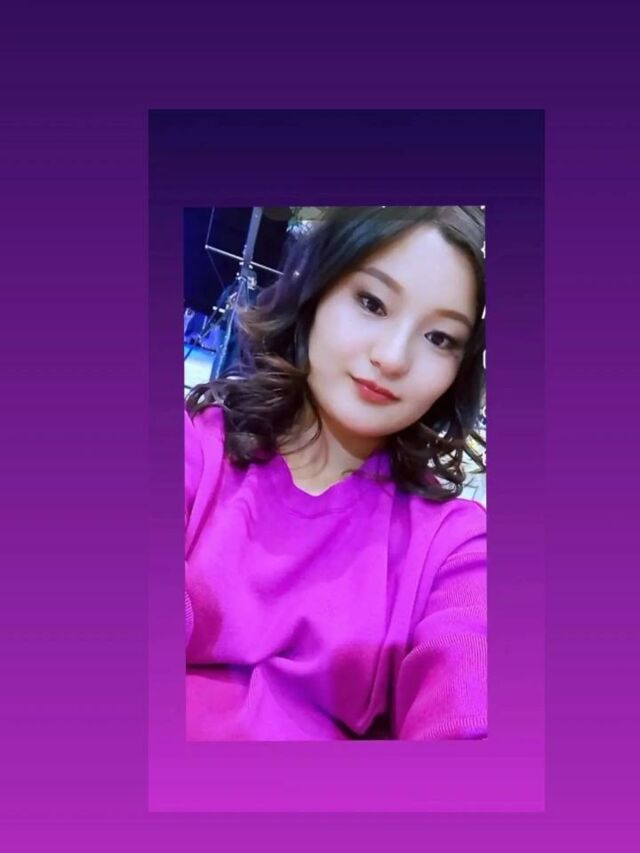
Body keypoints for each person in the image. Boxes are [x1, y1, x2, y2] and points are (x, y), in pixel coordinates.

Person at [184, 206, 487, 740]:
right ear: (317, 289)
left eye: (439, 338)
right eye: (372, 303)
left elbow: (470, 706)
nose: (392, 357)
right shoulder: (196, 452)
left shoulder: (454, 546)